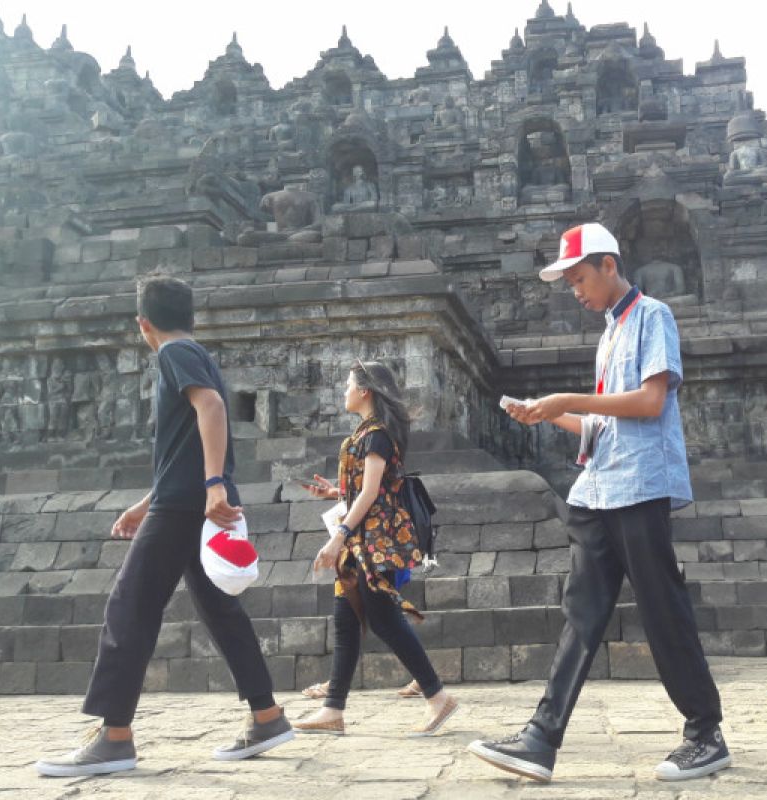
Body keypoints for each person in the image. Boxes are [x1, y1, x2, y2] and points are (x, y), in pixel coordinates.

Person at [468, 223, 729, 783]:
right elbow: (604, 422)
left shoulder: (652, 315)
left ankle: (705, 733)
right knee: (581, 613)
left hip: (639, 486)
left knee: (663, 610)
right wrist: (547, 413)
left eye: (580, 278)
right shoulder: (609, 333)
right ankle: (541, 737)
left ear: (609, 265)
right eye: (569, 282)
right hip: (601, 486)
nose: (576, 291)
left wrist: (566, 397)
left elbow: (651, 401)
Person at [35, 276, 292, 777]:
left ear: (143, 324)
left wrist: (215, 482)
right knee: (220, 610)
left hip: (186, 506)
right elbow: (184, 449)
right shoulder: (193, 353)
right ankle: (267, 715)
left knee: (129, 605)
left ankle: (114, 737)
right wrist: (144, 502)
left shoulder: (174, 354)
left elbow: (212, 409)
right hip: (183, 499)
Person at [293, 360, 458, 736]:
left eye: (349, 384)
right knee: (346, 619)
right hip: (363, 539)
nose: (344, 391)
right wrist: (335, 493)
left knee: (382, 618)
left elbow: (371, 493)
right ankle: (333, 709)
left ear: (365, 391)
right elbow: (371, 489)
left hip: (375, 541)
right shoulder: (368, 433)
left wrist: (338, 537)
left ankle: (437, 697)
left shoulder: (377, 434)